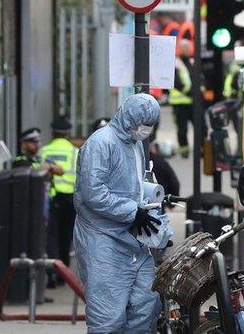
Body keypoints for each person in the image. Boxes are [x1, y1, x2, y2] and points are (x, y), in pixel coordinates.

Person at [74, 93, 163, 333]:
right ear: (130, 118)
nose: (145, 130)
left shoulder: (134, 144)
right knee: (108, 317)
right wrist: (132, 211)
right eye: (143, 125)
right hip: (102, 240)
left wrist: (148, 207)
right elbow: (92, 192)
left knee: (146, 306)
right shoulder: (101, 143)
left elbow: (132, 184)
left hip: (131, 239)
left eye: (149, 126)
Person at [40, 115, 79, 287]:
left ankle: (52, 272)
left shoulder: (44, 151)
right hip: (70, 200)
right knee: (66, 236)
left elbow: (37, 172)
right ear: (67, 134)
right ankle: (64, 274)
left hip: (51, 198)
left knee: (51, 236)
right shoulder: (74, 152)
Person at [170, 40, 194, 158]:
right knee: (182, 129)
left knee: (202, 128)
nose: (186, 50)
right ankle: (184, 151)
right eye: (184, 48)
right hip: (180, 102)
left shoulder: (192, 61)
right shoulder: (175, 63)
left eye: (188, 48)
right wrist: (189, 92)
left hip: (193, 102)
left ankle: (202, 150)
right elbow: (176, 82)